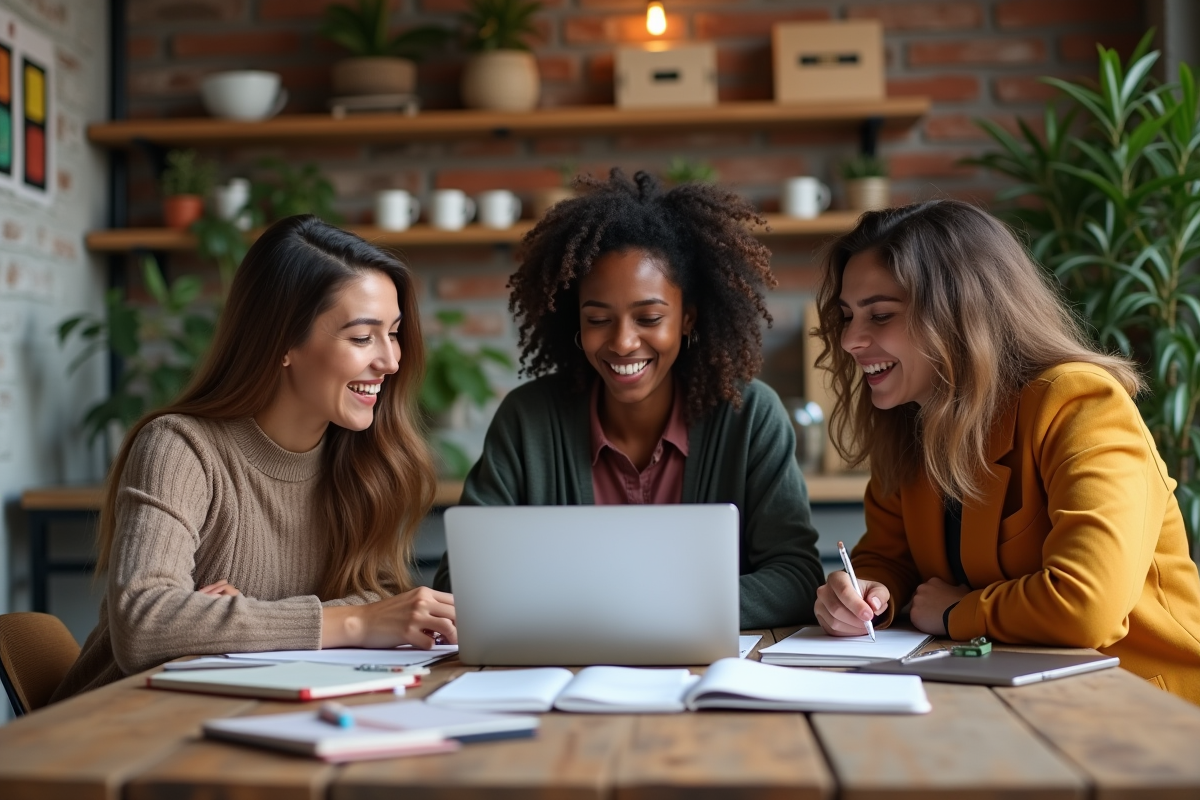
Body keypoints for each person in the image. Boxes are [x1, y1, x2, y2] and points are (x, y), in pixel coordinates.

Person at [811, 199, 1200, 703]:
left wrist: (957, 611)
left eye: (880, 315)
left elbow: (1087, 606)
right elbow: (890, 556)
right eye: (847, 316)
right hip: (1001, 697)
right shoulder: (912, 421)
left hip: (1139, 706)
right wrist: (866, 593)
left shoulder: (1080, 402)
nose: (850, 340)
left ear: (960, 314)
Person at [52, 215, 456, 701]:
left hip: (242, 713)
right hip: (117, 722)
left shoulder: (365, 461)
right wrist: (354, 622)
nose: (390, 360)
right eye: (361, 337)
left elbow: (381, 595)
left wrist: (239, 622)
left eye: (393, 333)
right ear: (282, 341)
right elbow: (146, 623)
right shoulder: (180, 448)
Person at [432, 169, 824, 628]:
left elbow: (798, 578)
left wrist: (641, 607)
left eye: (649, 318)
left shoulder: (749, 415)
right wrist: (643, 607)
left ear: (688, 318)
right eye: (598, 320)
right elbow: (457, 582)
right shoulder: (529, 419)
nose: (622, 342)